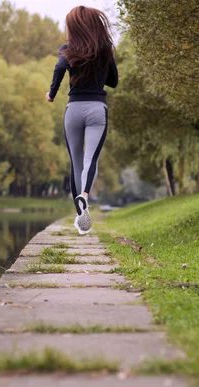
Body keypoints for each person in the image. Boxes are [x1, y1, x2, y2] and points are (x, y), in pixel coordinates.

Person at [46, 5, 118, 235]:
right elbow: (114, 81)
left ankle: (80, 216)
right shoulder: (105, 49)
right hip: (97, 109)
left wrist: (52, 93)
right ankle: (85, 196)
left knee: (75, 161)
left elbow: (59, 69)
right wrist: (99, 69)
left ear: (73, 27)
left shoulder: (66, 50)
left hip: (73, 109)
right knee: (91, 159)